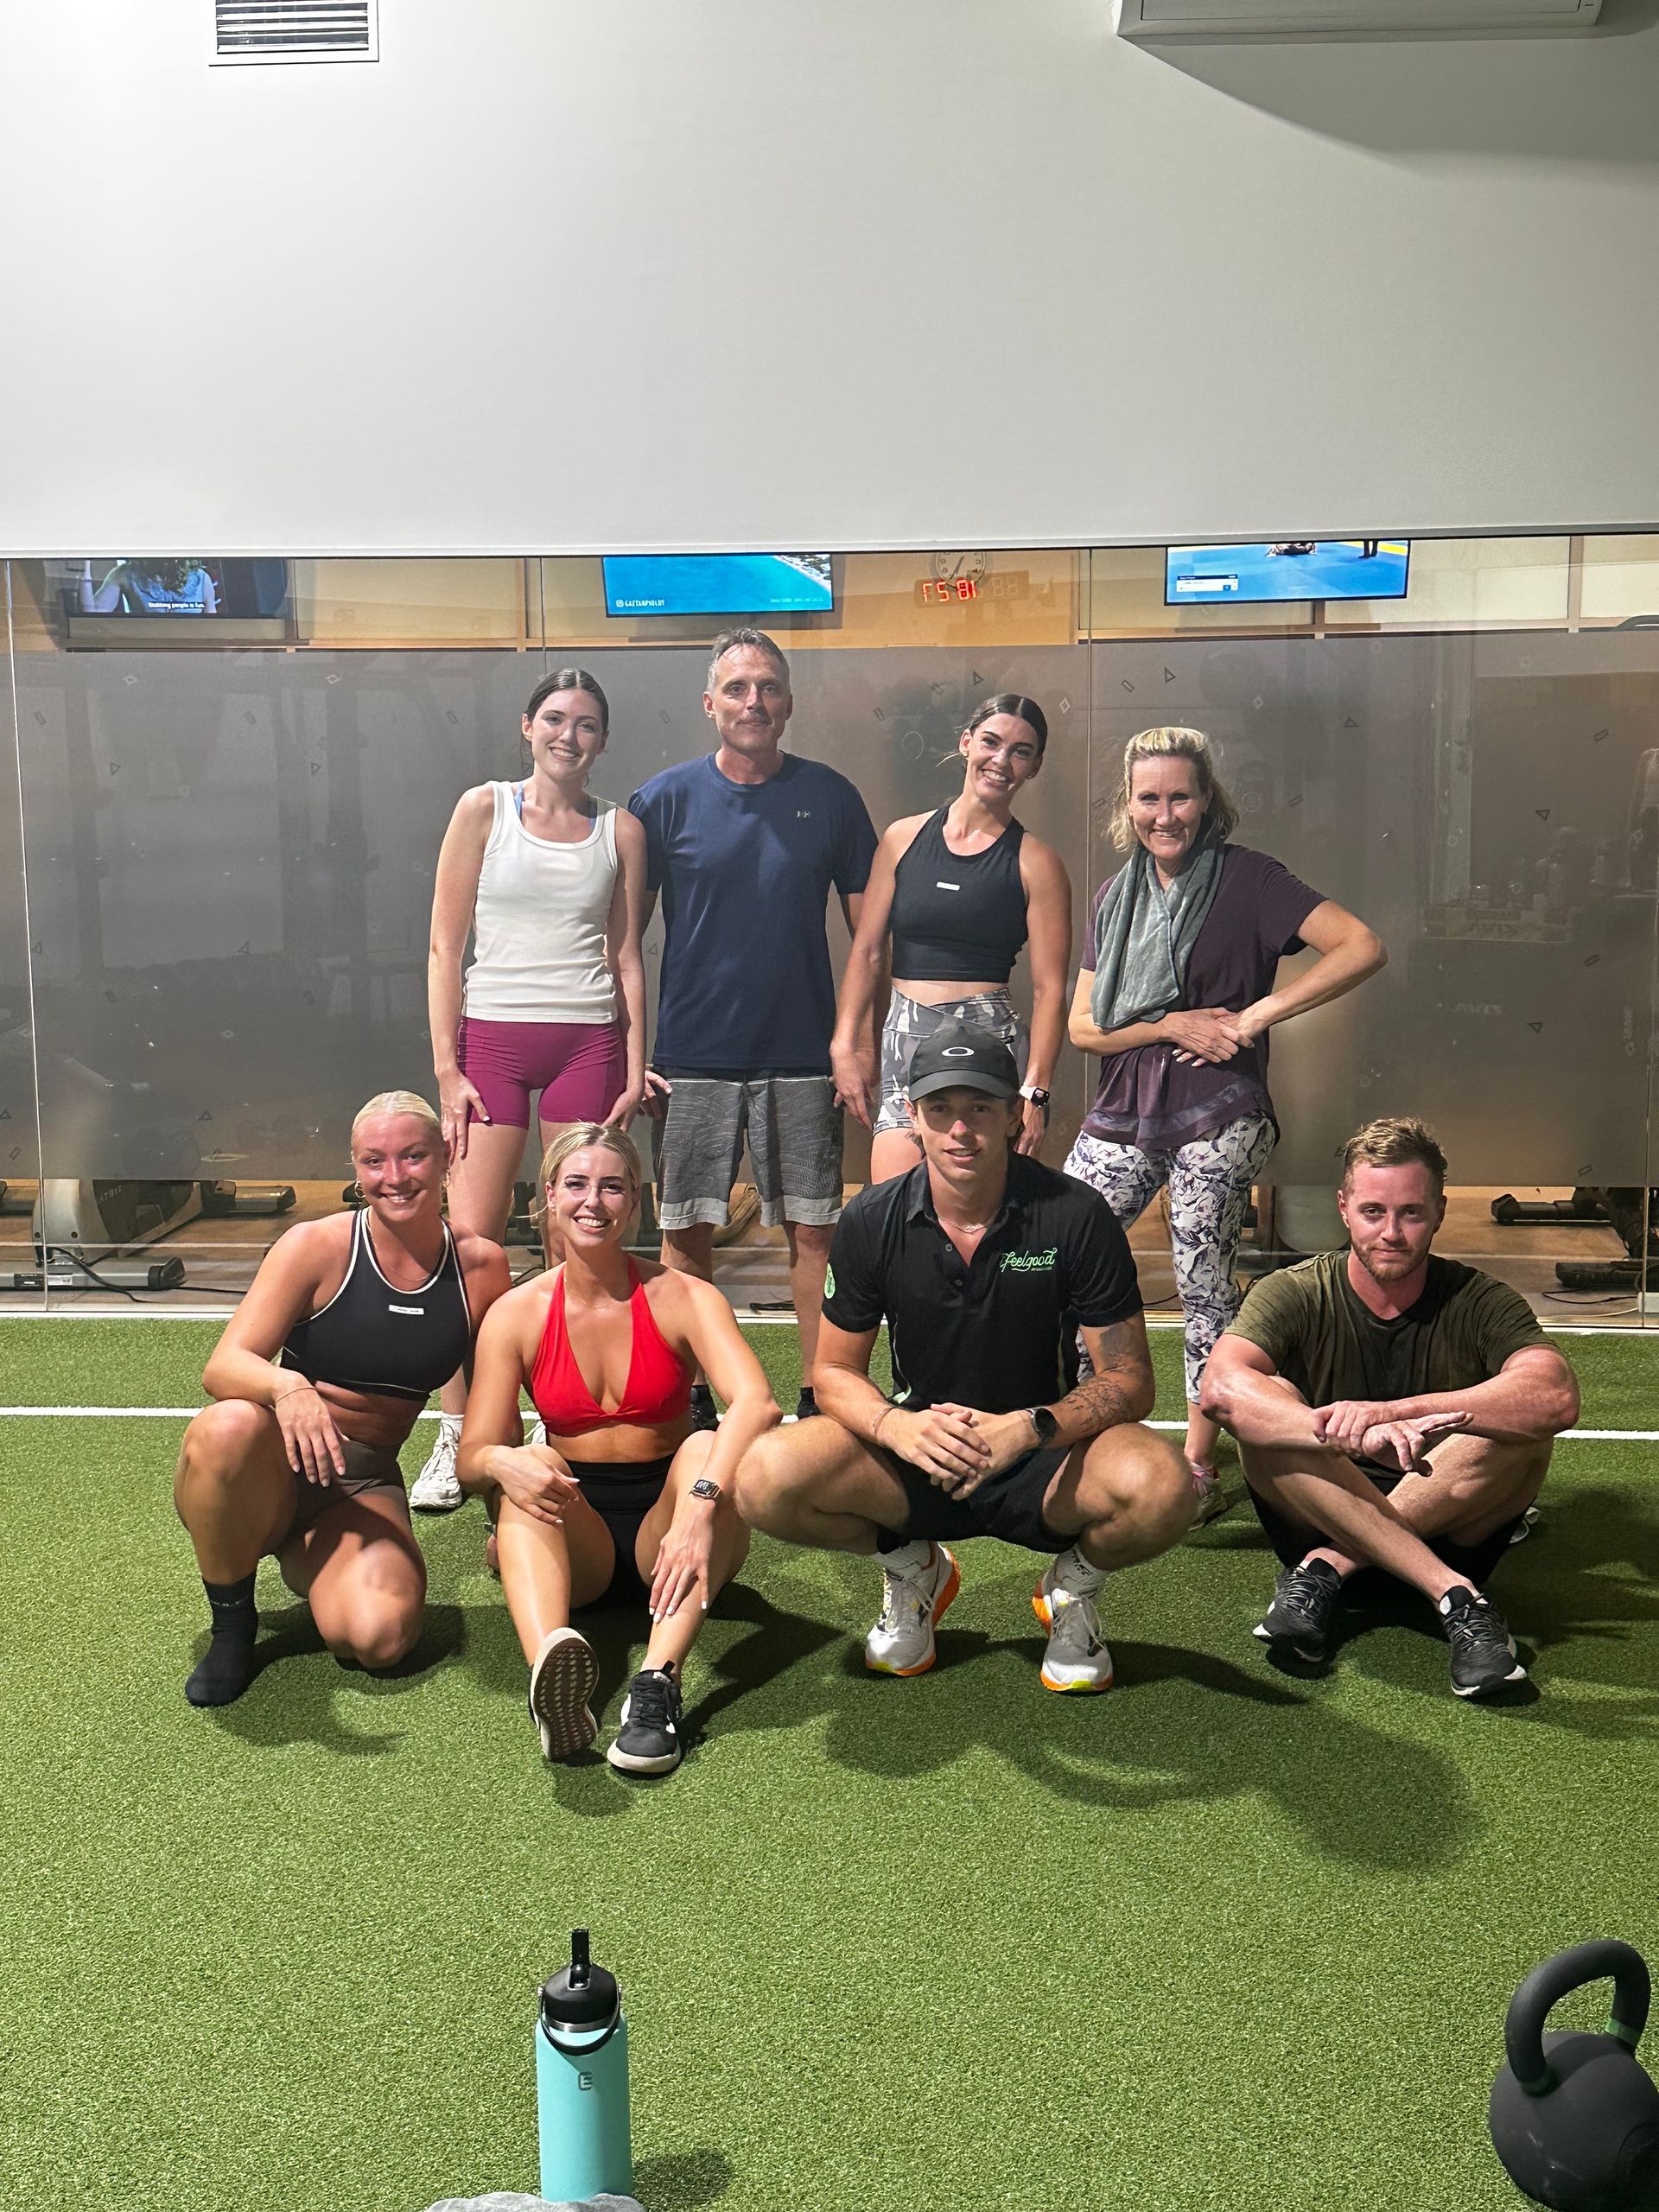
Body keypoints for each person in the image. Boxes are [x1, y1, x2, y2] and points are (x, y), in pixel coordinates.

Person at [736, 1024, 1193, 1691]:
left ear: (1013, 1115)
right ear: (914, 1119)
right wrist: (899, 1428)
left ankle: (1071, 1588)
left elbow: (1130, 1380)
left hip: (1041, 1452)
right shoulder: (871, 1218)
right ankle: (915, 1568)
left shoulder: (1074, 1215)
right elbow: (832, 1373)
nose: (961, 1130)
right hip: (921, 1449)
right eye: (941, 1110)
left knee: (1165, 1487)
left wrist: (1029, 1426)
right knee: (764, 1479)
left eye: (979, 1107)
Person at [1064, 725, 1385, 1507]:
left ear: (1207, 801)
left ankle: (1200, 1462)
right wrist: (1171, 1024)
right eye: (1149, 798)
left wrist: (1257, 1015)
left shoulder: (1251, 880)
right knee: (1063, 1247)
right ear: (1127, 806)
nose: (1165, 813)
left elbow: (1360, 945)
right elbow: (1082, 1027)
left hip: (1223, 1105)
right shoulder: (1115, 896)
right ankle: (1078, 1423)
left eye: (1181, 796)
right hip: (1126, 1105)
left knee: (1200, 1269)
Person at [1200, 1116, 1580, 1699]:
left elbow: (1555, 1396)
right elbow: (1221, 1390)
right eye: (1374, 1212)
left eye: (1412, 1213)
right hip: (1319, 1515)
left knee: (1516, 1424)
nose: (1392, 1232)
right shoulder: (1296, 1290)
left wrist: (1391, 1414)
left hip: (1416, 1534)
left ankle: (1337, 1563)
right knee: (1270, 1411)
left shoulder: (1480, 1299)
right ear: (1345, 1208)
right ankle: (1455, 1597)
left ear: (1441, 1212)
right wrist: (1339, 1436)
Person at [456, 1122, 778, 1776]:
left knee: (706, 1450)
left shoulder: (687, 1296)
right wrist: (499, 1459)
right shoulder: (517, 1314)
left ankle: (656, 1688)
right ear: (548, 1194)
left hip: (674, 1528)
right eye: (576, 1184)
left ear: (636, 1200)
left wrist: (698, 1510)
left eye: (612, 1187)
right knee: (530, 1464)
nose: (592, 1202)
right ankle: (552, 1677)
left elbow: (758, 1404)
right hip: (580, 1542)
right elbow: (471, 1458)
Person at [172, 1093, 511, 1707]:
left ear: (446, 1158)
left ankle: (311, 1559)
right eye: (374, 1161)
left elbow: (496, 1406)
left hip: (357, 1490)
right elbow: (223, 1366)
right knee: (227, 1426)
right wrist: (287, 1385)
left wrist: (503, 1523)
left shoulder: (481, 1267)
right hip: (268, 1472)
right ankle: (232, 1623)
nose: (394, 1177)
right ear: (355, 1167)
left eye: (412, 1157)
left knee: (378, 1640)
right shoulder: (316, 1246)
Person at [413, 668, 650, 1511]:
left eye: (586, 724)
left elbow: (627, 959)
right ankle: (459, 1431)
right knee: (469, 1247)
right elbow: (445, 947)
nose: (568, 736)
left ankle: (557, 1424)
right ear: (527, 726)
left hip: (587, 1039)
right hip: (493, 1043)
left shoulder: (620, 830)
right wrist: (446, 1066)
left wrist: (634, 1061)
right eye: (554, 719)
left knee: (574, 1242)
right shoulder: (483, 809)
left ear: (603, 740)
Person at [628, 629, 877, 1425]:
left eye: (767, 687)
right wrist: (631, 1055)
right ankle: (689, 1393)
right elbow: (621, 945)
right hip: (691, 1058)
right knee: (686, 1230)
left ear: (789, 703)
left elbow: (870, 941)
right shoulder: (663, 801)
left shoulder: (831, 797)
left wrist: (851, 1042)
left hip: (803, 1057)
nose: (753, 702)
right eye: (737, 689)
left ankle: (822, 1393)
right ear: (710, 704)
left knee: (814, 1232)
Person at [831, 691, 1072, 1183]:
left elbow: (1051, 990)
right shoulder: (902, 838)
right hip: (906, 1035)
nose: (1001, 760)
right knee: (896, 1206)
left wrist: (1035, 1093)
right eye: (991, 742)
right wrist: (846, 1045)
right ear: (966, 743)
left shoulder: (1037, 862)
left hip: (988, 1037)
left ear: (1035, 766)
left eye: (1021, 751)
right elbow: (869, 950)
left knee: (984, 1212)